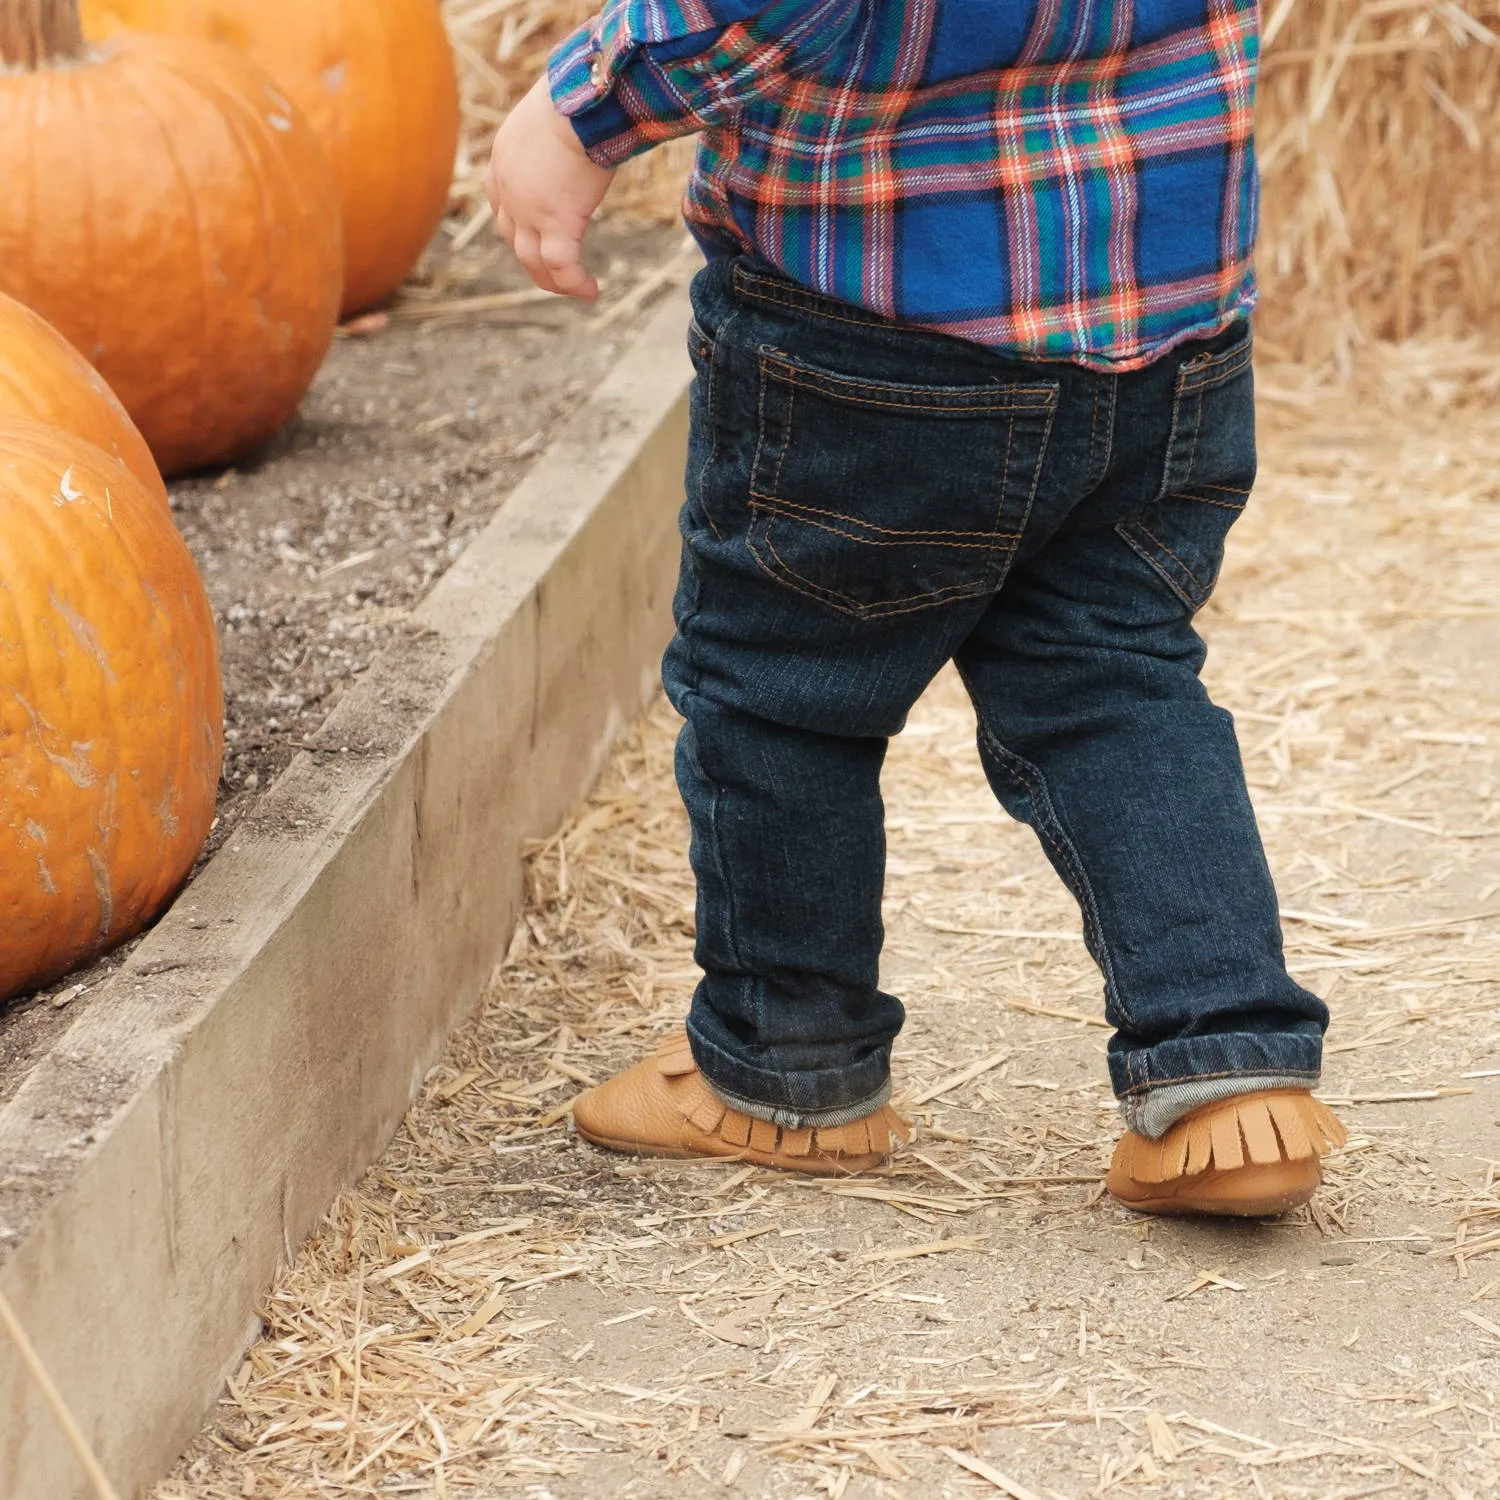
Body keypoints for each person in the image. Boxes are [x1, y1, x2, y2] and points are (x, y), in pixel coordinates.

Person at [485, 0, 1347, 1217]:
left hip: (876, 330)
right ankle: (1228, 1071)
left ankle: (782, 1072)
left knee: (784, 695)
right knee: (1112, 676)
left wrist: (584, 112)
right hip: (1162, 324)